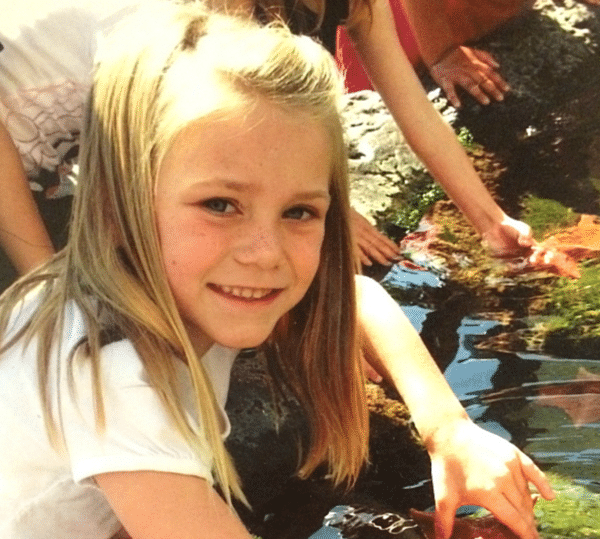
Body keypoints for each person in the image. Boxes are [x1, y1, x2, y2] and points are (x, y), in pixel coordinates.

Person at [0, 3, 554, 538]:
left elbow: (357, 298)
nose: (265, 253)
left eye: (298, 212)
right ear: (117, 205)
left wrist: (450, 430)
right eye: (220, 204)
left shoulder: (163, 287)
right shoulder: (110, 371)